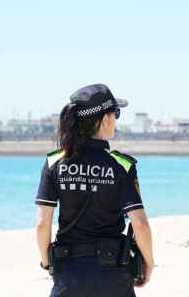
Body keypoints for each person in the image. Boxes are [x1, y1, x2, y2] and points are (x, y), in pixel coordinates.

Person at [35, 84, 154, 297]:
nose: (116, 120)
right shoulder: (122, 165)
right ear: (105, 119)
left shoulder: (55, 162)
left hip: (68, 275)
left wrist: (46, 262)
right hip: (113, 277)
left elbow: (42, 223)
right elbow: (140, 224)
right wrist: (149, 263)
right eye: (115, 113)